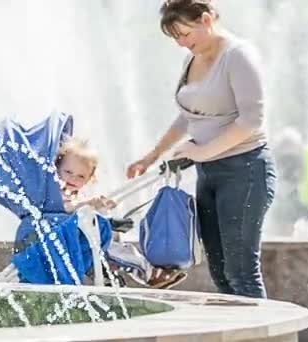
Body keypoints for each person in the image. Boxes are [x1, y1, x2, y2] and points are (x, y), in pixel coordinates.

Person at [126, 0, 276, 298]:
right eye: (175, 38)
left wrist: (200, 152)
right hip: (210, 175)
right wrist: (152, 155)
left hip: (244, 171)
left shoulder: (238, 56)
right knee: (219, 271)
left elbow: (252, 122)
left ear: (206, 19)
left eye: (184, 34)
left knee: (241, 271)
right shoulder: (192, 59)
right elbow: (188, 115)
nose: (181, 43)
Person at [55, 137, 116, 212]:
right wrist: (88, 203)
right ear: (57, 168)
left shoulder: (81, 194)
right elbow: (63, 208)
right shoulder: (54, 190)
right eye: (68, 172)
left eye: (81, 176)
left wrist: (103, 204)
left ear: (89, 179)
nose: (74, 179)